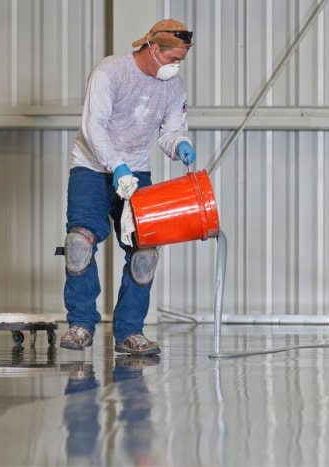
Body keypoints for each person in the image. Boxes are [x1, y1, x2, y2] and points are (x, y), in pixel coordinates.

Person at [60, 19, 196, 356]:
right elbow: (94, 126)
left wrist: (179, 144)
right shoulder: (111, 72)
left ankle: (130, 332)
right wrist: (115, 164)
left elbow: (169, 131)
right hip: (92, 168)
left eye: (181, 60)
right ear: (153, 48)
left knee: (145, 253)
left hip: (136, 173)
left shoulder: (173, 87)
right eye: (173, 58)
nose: (176, 65)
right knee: (79, 243)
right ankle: (80, 324)